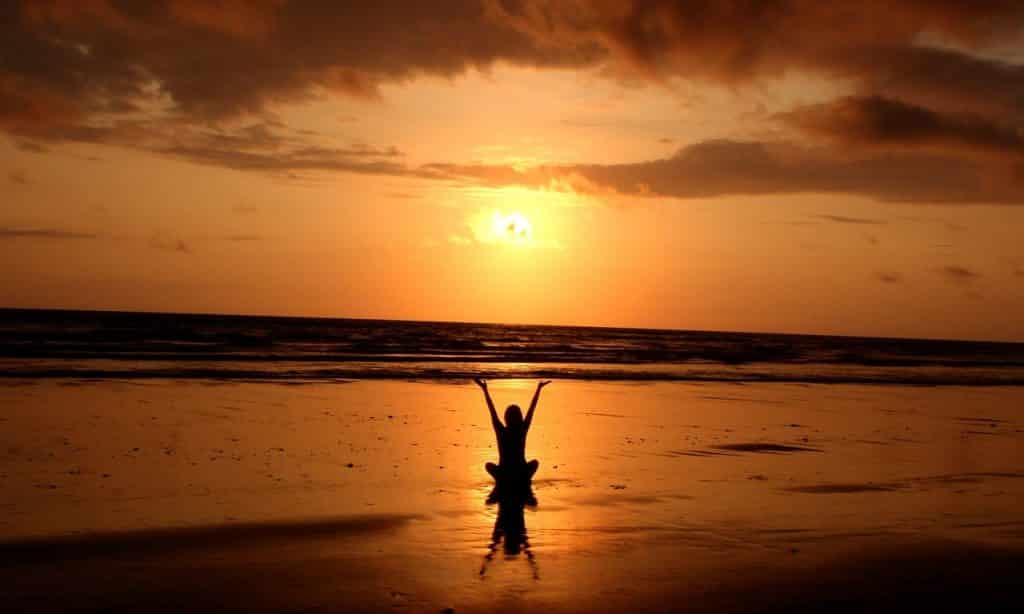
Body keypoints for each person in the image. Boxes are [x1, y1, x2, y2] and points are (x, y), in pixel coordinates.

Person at [475, 378, 549, 486]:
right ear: (520, 417)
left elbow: (492, 410)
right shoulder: (522, 429)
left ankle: (507, 480)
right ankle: (522, 480)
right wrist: (538, 389)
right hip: (521, 472)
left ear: (506, 418)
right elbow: (531, 410)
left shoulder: (501, 430)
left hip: (504, 473)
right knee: (535, 463)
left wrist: (485, 390)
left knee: (488, 465)